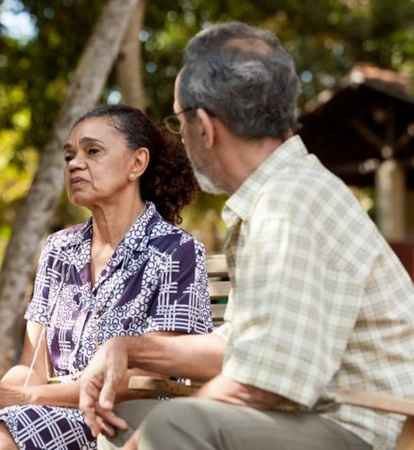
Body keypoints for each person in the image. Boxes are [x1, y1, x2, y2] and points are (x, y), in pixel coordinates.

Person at [79, 22, 414, 450]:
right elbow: (241, 348)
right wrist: (129, 348)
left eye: (178, 119)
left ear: (204, 125)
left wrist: (152, 437)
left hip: (365, 429)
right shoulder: (273, 197)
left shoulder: (289, 204)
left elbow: (264, 383)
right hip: (310, 416)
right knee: (126, 416)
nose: (181, 135)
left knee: (172, 427)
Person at [0, 104, 213, 450]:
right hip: (47, 406)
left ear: (137, 163)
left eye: (93, 151)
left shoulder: (177, 251)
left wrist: (23, 397)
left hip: (122, 416)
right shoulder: (59, 249)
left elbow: (145, 378)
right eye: (69, 155)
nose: (74, 163)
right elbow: (32, 366)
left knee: (3, 433)